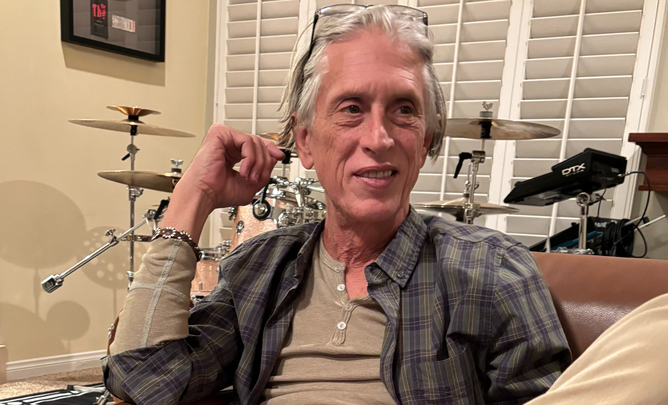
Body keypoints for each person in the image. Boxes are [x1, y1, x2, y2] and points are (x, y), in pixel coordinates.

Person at [103, 5, 571, 405]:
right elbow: (145, 380)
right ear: (305, 141)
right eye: (351, 108)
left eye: (404, 109)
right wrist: (192, 198)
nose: (379, 138)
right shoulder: (259, 269)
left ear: (427, 139)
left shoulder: (492, 270)